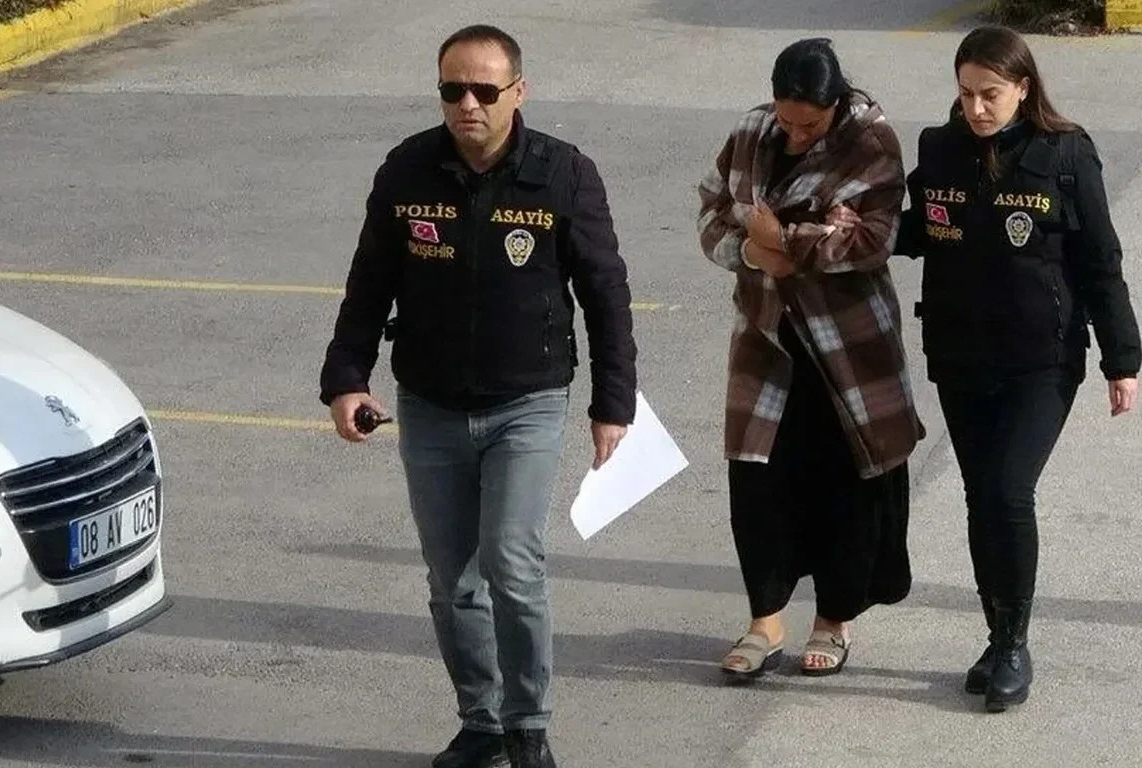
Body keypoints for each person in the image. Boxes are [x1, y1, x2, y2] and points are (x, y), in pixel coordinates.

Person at [317, 24, 636, 768]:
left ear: (517, 93)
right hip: (428, 405)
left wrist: (612, 402)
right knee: (451, 578)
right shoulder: (408, 171)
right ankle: (482, 722)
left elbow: (605, 292)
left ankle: (529, 727)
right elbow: (369, 283)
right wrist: (345, 378)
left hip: (526, 401)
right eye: (452, 90)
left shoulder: (563, 174)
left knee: (512, 564)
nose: (467, 104)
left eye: (484, 91)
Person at [887, 25, 1142, 712]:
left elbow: (1100, 261)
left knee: (1007, 491)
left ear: (1023, 88)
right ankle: (996, 635)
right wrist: (858, 228)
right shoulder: (939, 150)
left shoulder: (1064, 153)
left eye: (990, 94)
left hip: (1042, 359)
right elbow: (919, 227)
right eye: (966, 93)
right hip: (960, 354)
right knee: (980, 498)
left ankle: (1015, 644)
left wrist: (1123, 359)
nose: (976, 108)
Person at [697, 38, 924, 680]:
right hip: (766, 336)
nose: (795, 133)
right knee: (758, 476)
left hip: (848, 342)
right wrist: (753, 252)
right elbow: (713, 211)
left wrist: (779, 238)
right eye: (786, 119)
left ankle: (834, 619)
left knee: (845, 479)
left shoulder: (870, 141)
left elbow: (872, 240)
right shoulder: (750, 130)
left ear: (835, 105)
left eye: (810, 124)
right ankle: (764, 620)